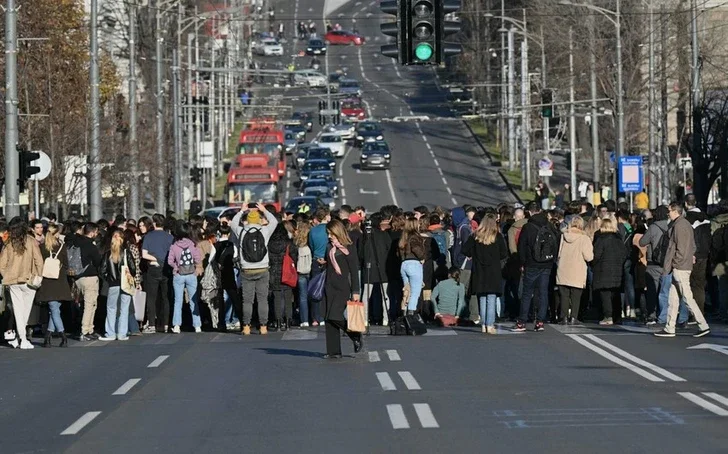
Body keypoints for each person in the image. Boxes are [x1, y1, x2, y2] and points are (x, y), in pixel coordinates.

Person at [654, 202, 710, 338]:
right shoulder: (682, 224)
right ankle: (669, 327)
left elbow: (682, 248)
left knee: (687, 297)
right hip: (680, 266)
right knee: (673, 299)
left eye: (669, 211)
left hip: (680, 267)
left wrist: (676, 263)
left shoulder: (680, 226)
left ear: (675, 211)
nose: (668, 213)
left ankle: (703, 325)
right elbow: (692, 247)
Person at [230, 204, 279, 335]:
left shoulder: (241, 231)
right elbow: (274, 221)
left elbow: (233, 223)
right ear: (258, 220)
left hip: (246, 269)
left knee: (247, 300)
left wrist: (241, 211)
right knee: (262, 299)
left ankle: (246, 326)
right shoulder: (264, 231)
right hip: (263, 268)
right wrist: (264, 210)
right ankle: (263, 326)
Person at [512, 202, 558, 332]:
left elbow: (521, 246)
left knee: (527, 293)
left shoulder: (528, 227)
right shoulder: (549, 225)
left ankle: (522, 322)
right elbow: (556, 241)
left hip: (531, 264)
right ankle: (540, 322)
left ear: (530, 212)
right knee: (543, 292)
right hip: (547, 264)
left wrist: (523, 262)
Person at [0, 218, 43, 349]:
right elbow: (39, 260)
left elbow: (2, 264)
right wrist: (38, 276)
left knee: (18, 310)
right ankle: (22, 338)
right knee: (25, 311)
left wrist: (6, 275)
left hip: (12, 281)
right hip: (28, 279)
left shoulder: (8, 243)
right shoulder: (31, 241)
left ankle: (20, 338)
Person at [322, 219, 362, 359]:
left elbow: (354, 271)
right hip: (329, 285)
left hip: (343, 287)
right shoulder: (329, 247)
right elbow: (330, 266)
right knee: (328, 318)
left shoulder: (349, 248)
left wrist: (355, 291)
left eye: (331, 233)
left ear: (337, 231)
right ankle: (333, 351)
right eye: (328, 233)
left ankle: (355, 335)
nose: (329, 236)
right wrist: (323, 263)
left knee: (335, 315)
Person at [462, 215, 508, 334]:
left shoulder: (475, 236)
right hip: (493, 271)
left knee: (481, 297)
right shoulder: (497, 236)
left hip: (479, 270)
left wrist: (474, 254)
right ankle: (490, 324)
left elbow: (465, 250)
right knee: (491, 298)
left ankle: (483, 324)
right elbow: (504, 253)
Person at [35, 223, 73, 347]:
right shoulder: (61, 246)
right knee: (55, 309)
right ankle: (49, 337)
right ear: (56, 233)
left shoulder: (42, 247)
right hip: (60, 280)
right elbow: (66, 265)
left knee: (53, 309)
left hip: (47, 281)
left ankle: (62, 336)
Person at [98, 228, 137, 341]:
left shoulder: (107, 253)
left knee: (111, 308)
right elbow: (133, 268)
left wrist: (109, 279)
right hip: (125, 284)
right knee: (124, 309)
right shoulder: (126, 252)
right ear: (122, 239)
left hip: (112, 284)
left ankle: (110, 333)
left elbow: (102, 270)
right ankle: (122, 334)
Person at [555, 216, 594, 324]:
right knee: (576, 296)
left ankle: (563, 317)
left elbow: (559, 253)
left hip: (563, 269)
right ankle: (573, 317)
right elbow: (589, 257)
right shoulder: (584, 238)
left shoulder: (564, 236)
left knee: (564, 295)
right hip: (578, 270)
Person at [168, 221, 203, 334]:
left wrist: (176, 267)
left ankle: (177, 325)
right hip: (191, 274)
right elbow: (198, 259)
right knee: (194, 301)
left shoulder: (174, 246)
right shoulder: (192, 245)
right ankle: (197, 326)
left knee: (178, 301)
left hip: (179, 275)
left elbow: (170, 261)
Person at [142, 214, 174, 333]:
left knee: (152, 297)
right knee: (166, 298)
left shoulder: (148, 236)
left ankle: (151, 324)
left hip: (153, 268)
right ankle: (166, 324)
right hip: (166, 269)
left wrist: (155, 259)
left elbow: (144, 254)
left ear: (154, 223)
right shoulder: (170, 237)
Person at [592, 217, 627, 325]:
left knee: (605, 294)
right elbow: (624, 254)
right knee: (615, 294)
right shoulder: (618, 239)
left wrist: (593, 264)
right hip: (617, 270)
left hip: (603, 270)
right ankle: (618, 317)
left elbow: (596, 255)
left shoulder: (601, 239)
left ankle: (608, 316)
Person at [74, 223, 103, 340]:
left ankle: (89, 329)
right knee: (90, 305)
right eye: (96, 232)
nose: (96, 234)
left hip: (78, 277)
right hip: (90, 277)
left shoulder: (77, 243)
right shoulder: (91, 245)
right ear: (92, 232)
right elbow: (97, 261)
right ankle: (85, 331)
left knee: (88, 304)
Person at [267, 221, 298, 331]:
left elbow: (268, 260)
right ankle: (288, 322)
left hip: (274, 273)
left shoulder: (269, 244)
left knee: (277, 299)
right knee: (288, 298)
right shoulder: (289, 243)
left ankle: (278, 322)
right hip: (287, 273)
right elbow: (294, 258)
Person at [308, 208, 331, 326]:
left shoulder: (312, 231)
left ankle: (315, 318)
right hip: (328, 260)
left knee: (315, 289)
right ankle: (325, 315)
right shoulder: (330, 229)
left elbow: (311, 246)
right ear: (326, 216)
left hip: (316, 260)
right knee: (327, 289)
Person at [398, 218, 426, 315]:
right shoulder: (414, 236)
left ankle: (403, 315)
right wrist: (422, 257)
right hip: (414, 264)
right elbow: (415, 248)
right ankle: (411, 316)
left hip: (404, 264)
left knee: (406, 292)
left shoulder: (403, 237)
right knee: (415, 293)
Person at [294, 219, 312, 327]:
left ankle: (304, 320)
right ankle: (315, 318)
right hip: (310, 270)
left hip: (300, 271)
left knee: (302, 297)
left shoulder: (296, 243)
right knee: (314, 294)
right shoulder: (310, 243)